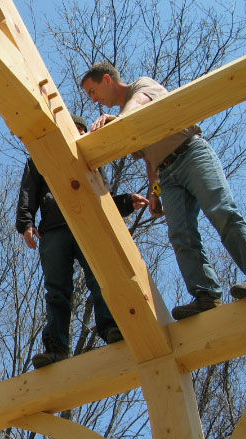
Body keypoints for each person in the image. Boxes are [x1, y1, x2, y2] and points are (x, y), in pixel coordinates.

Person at [81, 62, 246, 319]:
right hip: (167, 175)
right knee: (181, 235)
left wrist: (119, 121)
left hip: (191, 153)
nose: (94, 99)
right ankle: (206, 295)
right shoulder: (125, 118)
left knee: (222, 212)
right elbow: (149, 159)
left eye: (93, 91)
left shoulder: (142, 85)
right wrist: (154, 191)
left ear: (107, 79)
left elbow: (140, 103)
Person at [17, 114, 149, 368]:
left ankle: (112, 328)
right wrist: (26, 224)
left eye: (80, 130)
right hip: (54, 229)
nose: (76, 134)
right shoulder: (40, 158)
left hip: (88, 224)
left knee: (101, 279)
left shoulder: (91, 156)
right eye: (72, 129)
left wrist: (124, 202)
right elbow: (28, 192)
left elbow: (104, 197)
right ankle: (56, 348)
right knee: (56, 290)